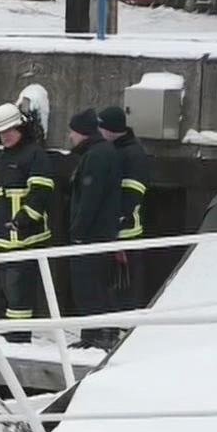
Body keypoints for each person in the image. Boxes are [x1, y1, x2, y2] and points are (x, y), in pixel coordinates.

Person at [0, 102, 55, 338]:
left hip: (25, 238)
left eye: (9, 131)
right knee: (5, 290)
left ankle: (18, 337)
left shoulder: (35, 155)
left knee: (19, 293)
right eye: (1, 133)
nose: (5, 137)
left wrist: (23, 219)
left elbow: (42, 191)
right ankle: (9, 334)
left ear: (20, 129)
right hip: (1, 238)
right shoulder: (2, 157)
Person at [66, 109, 123, 346]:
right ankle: (98, 333)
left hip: (92, 236)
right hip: (101, 234)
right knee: (97, 285)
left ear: (82, 133)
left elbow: (90, 198)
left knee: (89, 286)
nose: (70, 137)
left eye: (72, 132)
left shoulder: (96, 156)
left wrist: (78, 232)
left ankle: (95, 336)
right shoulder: (102, 153)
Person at [100, 105, 151, 310]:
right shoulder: (115, 150)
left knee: (124, 286)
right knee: (110, 285)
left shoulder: (132, 154)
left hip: (126, 234)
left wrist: (118, 228)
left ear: (110, 129)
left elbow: (132, 194)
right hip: (111, 231)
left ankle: (123, 329)